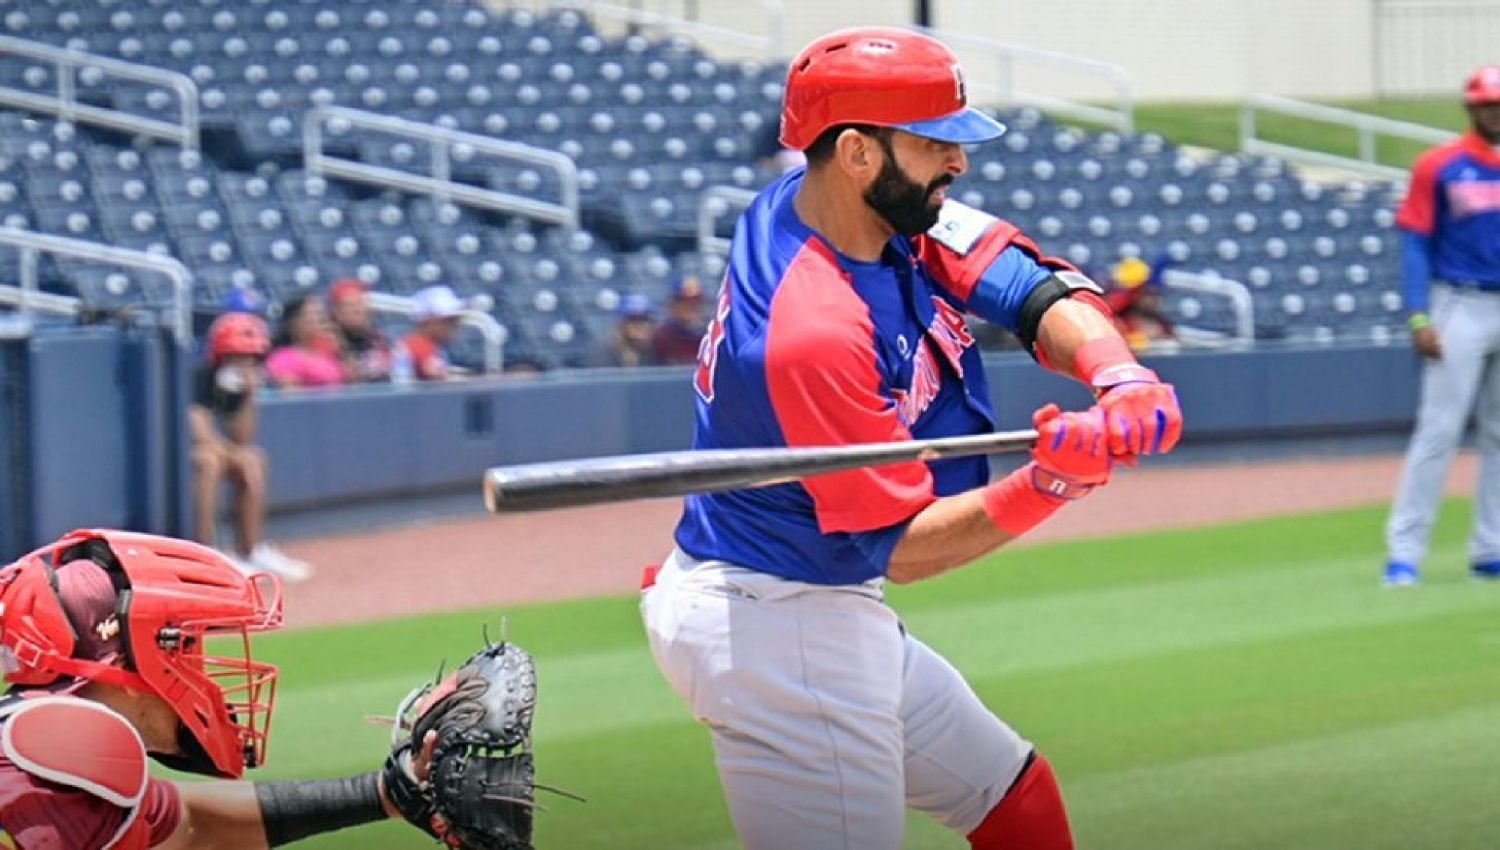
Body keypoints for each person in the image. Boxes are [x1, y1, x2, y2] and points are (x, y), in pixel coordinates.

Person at [640, 27, 1182, 850]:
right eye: (935, 144)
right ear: (857, 151)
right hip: (782, 627)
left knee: (1015, 801)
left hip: (799, 594)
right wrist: (1052, 483)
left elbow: (1027, 286)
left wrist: (1118, 371)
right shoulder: (810, 329)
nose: (957, 164)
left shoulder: (870, 210)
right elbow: (902, 548)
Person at [0, 529, 423, 847]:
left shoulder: (55, 752)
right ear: (125, 663)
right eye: (184, 647)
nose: (198, 672)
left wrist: (384, 794)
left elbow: (192, 824)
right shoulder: (56, 751)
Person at [1383, 64, 1500, 586]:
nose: (1495, 112)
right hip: (1459, 303)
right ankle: (1405, 552)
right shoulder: (1441, 165)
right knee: (1439, 431)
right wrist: (1419, 313)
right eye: (1488, 104)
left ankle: (1490, 548)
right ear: (1472, 108)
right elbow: (1414, 242)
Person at [190, 314, 312, 582]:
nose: (245, 364)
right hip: (178, 454)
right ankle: (206, 554)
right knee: (210, 460)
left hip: (217, 449)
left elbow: (243, 437)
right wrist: (231, 453)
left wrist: (248, 394)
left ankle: (250, 550)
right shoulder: (199, 377)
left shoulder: (236, 389)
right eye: (237, 357)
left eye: (251, 359)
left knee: (253, 458)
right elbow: (199, 434)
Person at [264, 295, 346, 389]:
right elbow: (290, 398)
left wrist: (342, 348)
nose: (319, 320)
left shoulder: (328, 355)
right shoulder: (284, 359)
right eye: (312, 314)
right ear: (294, 323)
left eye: (320, 314)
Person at [1101, 256, 1176, 351]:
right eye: (1149, 294)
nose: (1154, 299)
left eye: (1157, 294)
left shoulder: (1164, 326)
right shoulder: (1118, 323)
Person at [394, 284, 466, 382]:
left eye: (456, 320)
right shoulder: (418, 348)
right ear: (428, 321)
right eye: (448, 320)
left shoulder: (429, 347)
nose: (454, 325)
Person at [327, 277, 393, 383]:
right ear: (336, 311)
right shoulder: (326, 343)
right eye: (350, 306)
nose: (358, 310)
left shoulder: (377, 338)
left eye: (361, 304)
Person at [588, 293, 658, 368]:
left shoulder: (655, 347)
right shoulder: (605, 351)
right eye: (633, 320)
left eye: (644, 319)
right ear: (621, 324)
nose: (640, 325)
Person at [650, 276, 709, 365]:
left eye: (695, 302)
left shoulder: (710, 335)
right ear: (672, 305)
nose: (690, 307)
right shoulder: (661, 337)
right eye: (684, 302)